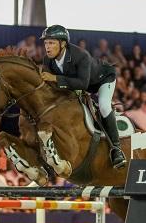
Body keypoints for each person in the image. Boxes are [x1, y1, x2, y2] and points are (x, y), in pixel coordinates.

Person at [39, 25, 126, 169]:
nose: (47, 47)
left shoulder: (81, 55)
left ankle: (116, 149)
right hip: (77, 85)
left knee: (104, 106)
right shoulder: (48, 60)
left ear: (63, 44)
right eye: (46, 43)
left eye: (52, 43)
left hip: (102, 80)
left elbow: (82, 84)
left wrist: (55, 78)